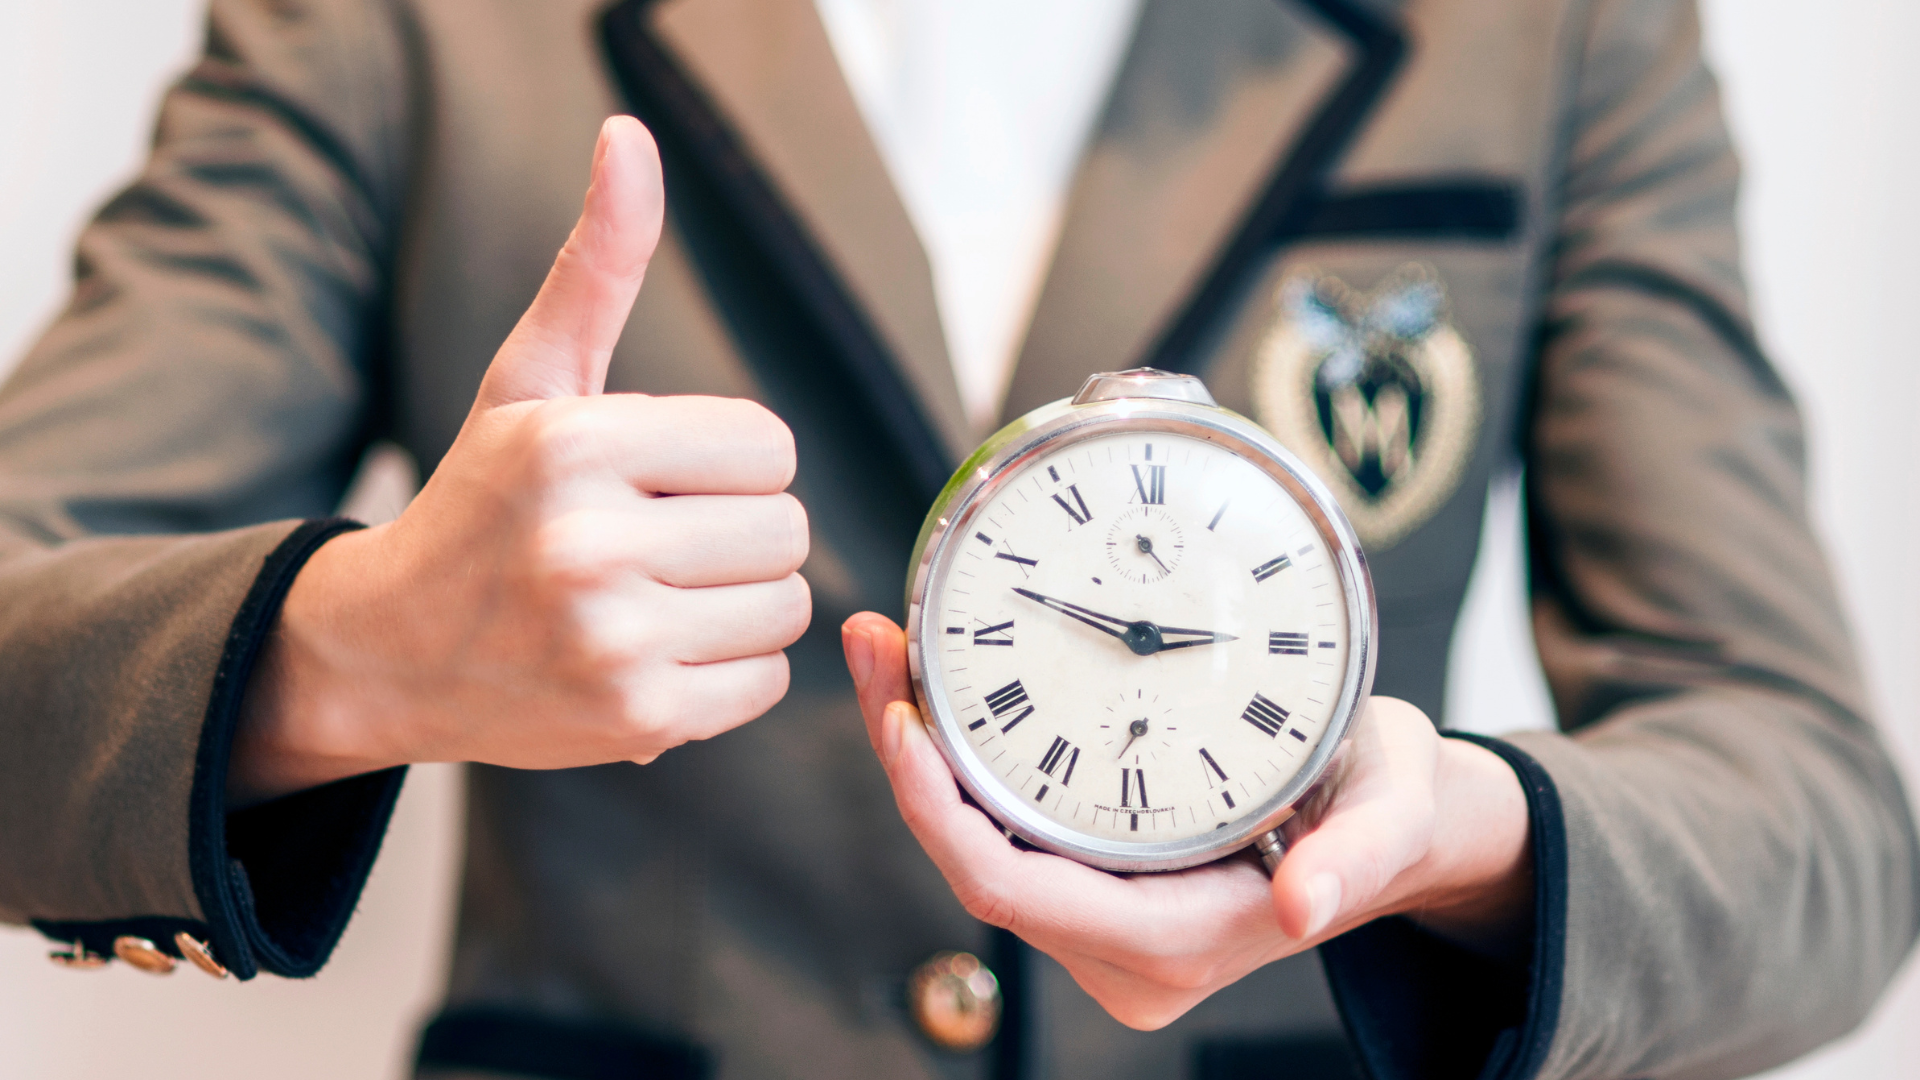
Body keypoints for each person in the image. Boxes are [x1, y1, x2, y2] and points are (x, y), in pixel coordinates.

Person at [0, 0, 1913, 1078]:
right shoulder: (401, 27)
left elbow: (1820, 818)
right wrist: (359, 640)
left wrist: (1448, 843)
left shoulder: (1555, 31)